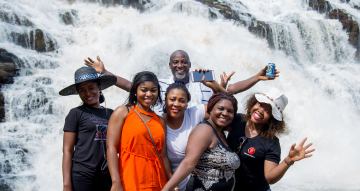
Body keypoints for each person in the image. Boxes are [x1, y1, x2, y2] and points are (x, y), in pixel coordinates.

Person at [58, 67, 125, 191]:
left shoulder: (113, 114)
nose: (88, 93)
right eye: (82, 90)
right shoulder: (76, 114)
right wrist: (67, 187)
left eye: (91, 88)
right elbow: (67, 151)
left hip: (108, 181)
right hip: (82, 178)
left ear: (99, 87)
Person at [106, 71, 173, 191]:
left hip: (157, 183)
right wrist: (115, 183)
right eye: (144, 90)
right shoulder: (123, 112)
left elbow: (163, 155)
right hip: (131, 181)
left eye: (153, 91)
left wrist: (172, 186)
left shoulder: (160, 120)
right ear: (135, 90)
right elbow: (111, 148)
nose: (148, 94)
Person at [84, 51, 279, 113]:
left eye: (184, 62)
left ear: (189, 65)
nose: (180, 65)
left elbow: (230, 90)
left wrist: (257, 77)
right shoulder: (160, 83)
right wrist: (105, 72)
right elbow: (131, 86)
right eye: (176, 62)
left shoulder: (202, 79)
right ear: (170, 65)